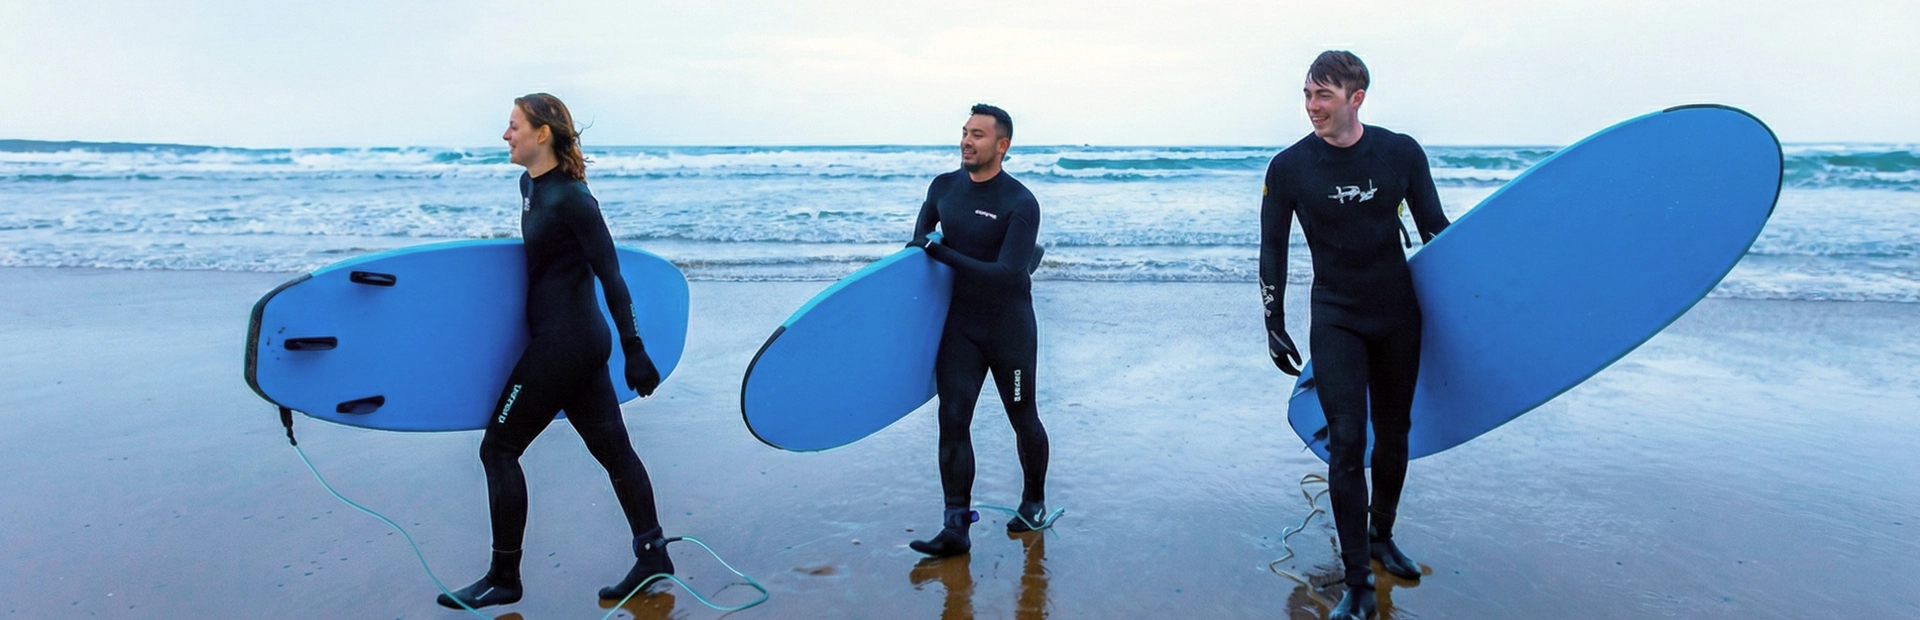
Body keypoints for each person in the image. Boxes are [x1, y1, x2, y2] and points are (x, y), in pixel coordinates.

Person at [437, 93, 673, 609]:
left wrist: (635, 350)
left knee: (498, 448)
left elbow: (613, 277)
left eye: (514, 125)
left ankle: (505, 576)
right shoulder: (530, 186)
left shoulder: (573, 200)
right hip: (570, 343)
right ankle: (653, 553)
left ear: (542, 133)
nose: (506, 135)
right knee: (614, 452)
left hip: (567, 344)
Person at [1259, 51, 1451, 620]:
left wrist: (1487, 298)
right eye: (1308, 95)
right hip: (1336, 314)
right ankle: (1357, 580)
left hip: (1396, 312)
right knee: (1347, 443)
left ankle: (1382, 536)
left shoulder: (1400, 153)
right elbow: (1273, 249)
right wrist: (1273, 321)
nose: (1312, 107)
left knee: (1395, 433)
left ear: (1356, 97)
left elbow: (1434, 232)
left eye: (1324, 96)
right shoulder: (1290, 167)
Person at [904, 104, 1050, 557]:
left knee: (1022, 419)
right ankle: (955, 528)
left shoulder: (1020, 202)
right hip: (961, 327)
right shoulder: (943, 188)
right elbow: (918, 244)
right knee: (952, 421)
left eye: (979, 135)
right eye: (965, 132)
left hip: (1009, 330)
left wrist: (940, 253)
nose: (967, 140)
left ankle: (1033, 502)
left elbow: (1008, 273)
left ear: (1002, 145)